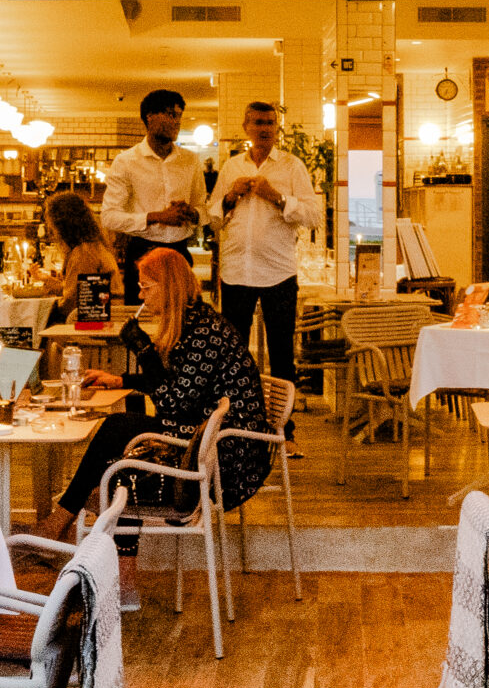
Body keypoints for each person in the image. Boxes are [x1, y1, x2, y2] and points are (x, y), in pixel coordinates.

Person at [33, 246, 271, 589]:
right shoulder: (193, 321)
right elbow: (177, 389)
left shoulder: (201, 332)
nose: (140, 293)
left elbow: (172, 403)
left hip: (228, 450)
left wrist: (143, 351)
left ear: (167, 286)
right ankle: (81, 537)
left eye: (146, 286)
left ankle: (63, 521)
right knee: (119, 446)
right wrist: (122, 380)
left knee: (119, 433)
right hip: (208, 432)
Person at [205, 101, 320, 446]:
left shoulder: (292, 166)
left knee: (282, 353)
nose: (264, 128)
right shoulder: (231, 166)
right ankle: (237, 422)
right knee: (234, 352)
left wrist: (278, 197)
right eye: (258, 122)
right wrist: (228, 197)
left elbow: (313, 216)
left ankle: (284, 430)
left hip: (278, 272)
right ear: (246, 127)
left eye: (270, 123)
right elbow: (212, 216)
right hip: (237, 270)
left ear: (276, 128)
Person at [98, 87, 205, 297]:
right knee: (143, 320)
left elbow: (203, 207)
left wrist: (191, 213)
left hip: (180, 251)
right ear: (150, 117)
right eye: (170, 114)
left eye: (179, 116)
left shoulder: (190, 160)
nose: (177, 122)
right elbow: (109, 217)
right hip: (142, 251)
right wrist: (157, 217)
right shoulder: (127, 161)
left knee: (182, 319)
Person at [32, 189, 117, 306]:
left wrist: (43, 307)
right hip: (101, 315)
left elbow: (72, 302)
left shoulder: (84, 254)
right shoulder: (92, 247)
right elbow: (77, 289)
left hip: (91, 321)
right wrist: (47, 280)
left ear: (62, 225)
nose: (52, 231)